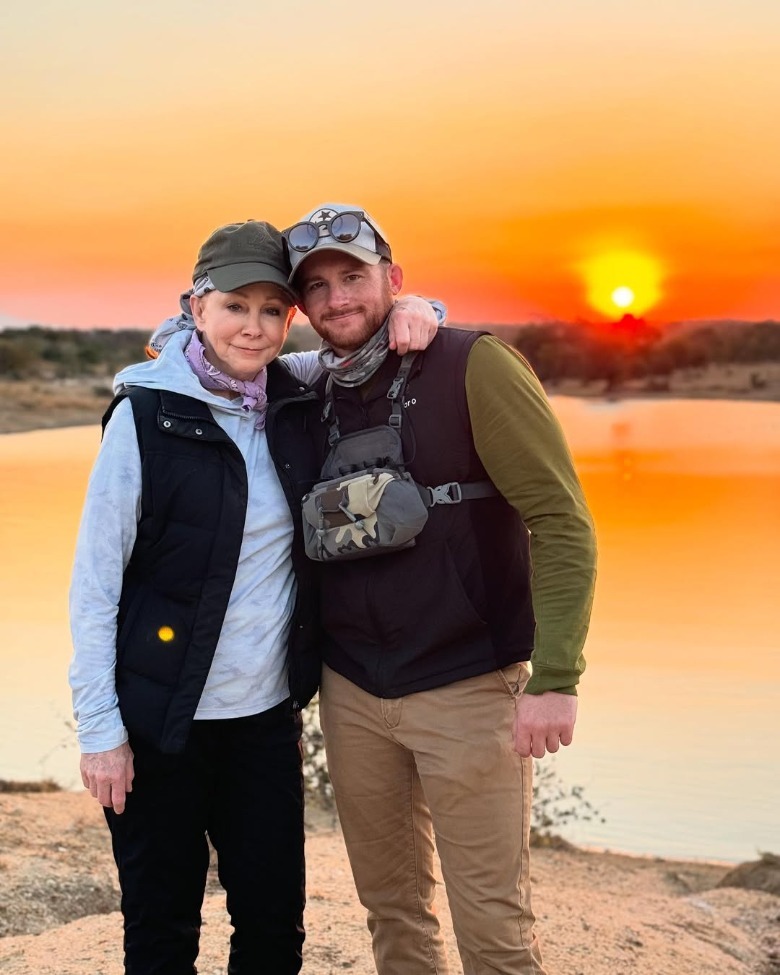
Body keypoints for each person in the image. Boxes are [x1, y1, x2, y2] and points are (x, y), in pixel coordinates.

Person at [68, 217, 441, 975]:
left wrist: (419, 308)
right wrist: (100, 730)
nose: (255, 325)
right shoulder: (144, 417)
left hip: (264, 722)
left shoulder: (292, 396)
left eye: (274, 309)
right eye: (236, 305)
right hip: (159, 724)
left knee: (273, 930)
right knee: (163, 930)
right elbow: (94, 586)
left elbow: (365, 347)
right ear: (195, 307)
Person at [284, 203, 598, 975]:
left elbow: (561, 520)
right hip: (352, 692)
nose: (337, 299)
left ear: (393, 278)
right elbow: (202, 340)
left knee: (492, 923)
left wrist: (556, 678)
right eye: (316, 287)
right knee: (392, 911)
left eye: (353, 276)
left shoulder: (472, 364)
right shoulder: (303, 392)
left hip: (468, 684)